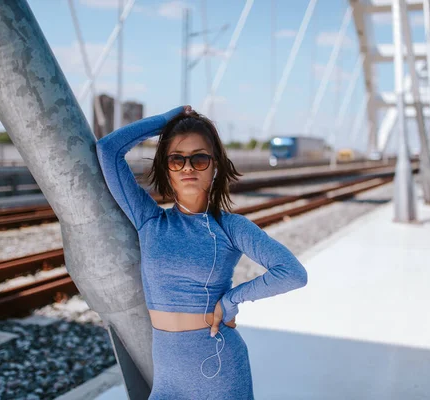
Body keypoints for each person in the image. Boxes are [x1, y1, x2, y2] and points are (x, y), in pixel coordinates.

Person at [95, 105, 308, 399]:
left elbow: (293, 273)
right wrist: (166, 121)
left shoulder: (231, 227)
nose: (187, 167)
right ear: (166, 169)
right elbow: (108, 150)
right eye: (176, 159)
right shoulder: (149, 220)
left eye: (199, 159)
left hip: (218, 369)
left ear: (215, 165)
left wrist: (232, 300)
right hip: (168, 378)